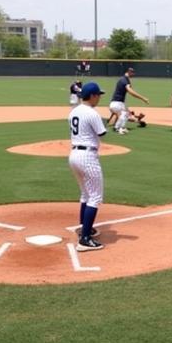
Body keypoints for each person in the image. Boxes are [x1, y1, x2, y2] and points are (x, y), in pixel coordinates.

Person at [68, 81, 108, 251]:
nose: (99, 98)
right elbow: (102, 133)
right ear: (92, 96)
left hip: (74, 155)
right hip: (87, 156)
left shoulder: (74, 111)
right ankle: (85, 239)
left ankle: (84, 227)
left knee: (85, 194)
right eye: (98, 95)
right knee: (95, 197)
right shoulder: (92, 113)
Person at [108, 67, 149, 134]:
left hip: (117, 103)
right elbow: (131, 92)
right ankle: (119, 128)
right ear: (129, 72)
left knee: (126, 114)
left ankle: (119, 127)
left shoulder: (124, 79)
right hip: (117, 103)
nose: (133, 74)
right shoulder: (124, 80)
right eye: (133, 73)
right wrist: (143, 98)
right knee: (124, 114)